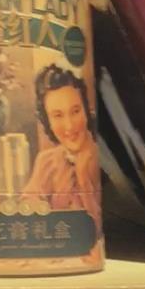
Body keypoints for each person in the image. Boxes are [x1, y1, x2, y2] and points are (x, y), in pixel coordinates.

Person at [23, 66, 99, 213]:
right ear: (48, 121)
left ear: (86, 111)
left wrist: (83, 179)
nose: (69, 126)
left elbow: (98, 223)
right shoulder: (46, 161)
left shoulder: (103, 159)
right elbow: (27, 207)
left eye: (75, 111)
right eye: (58, 115)